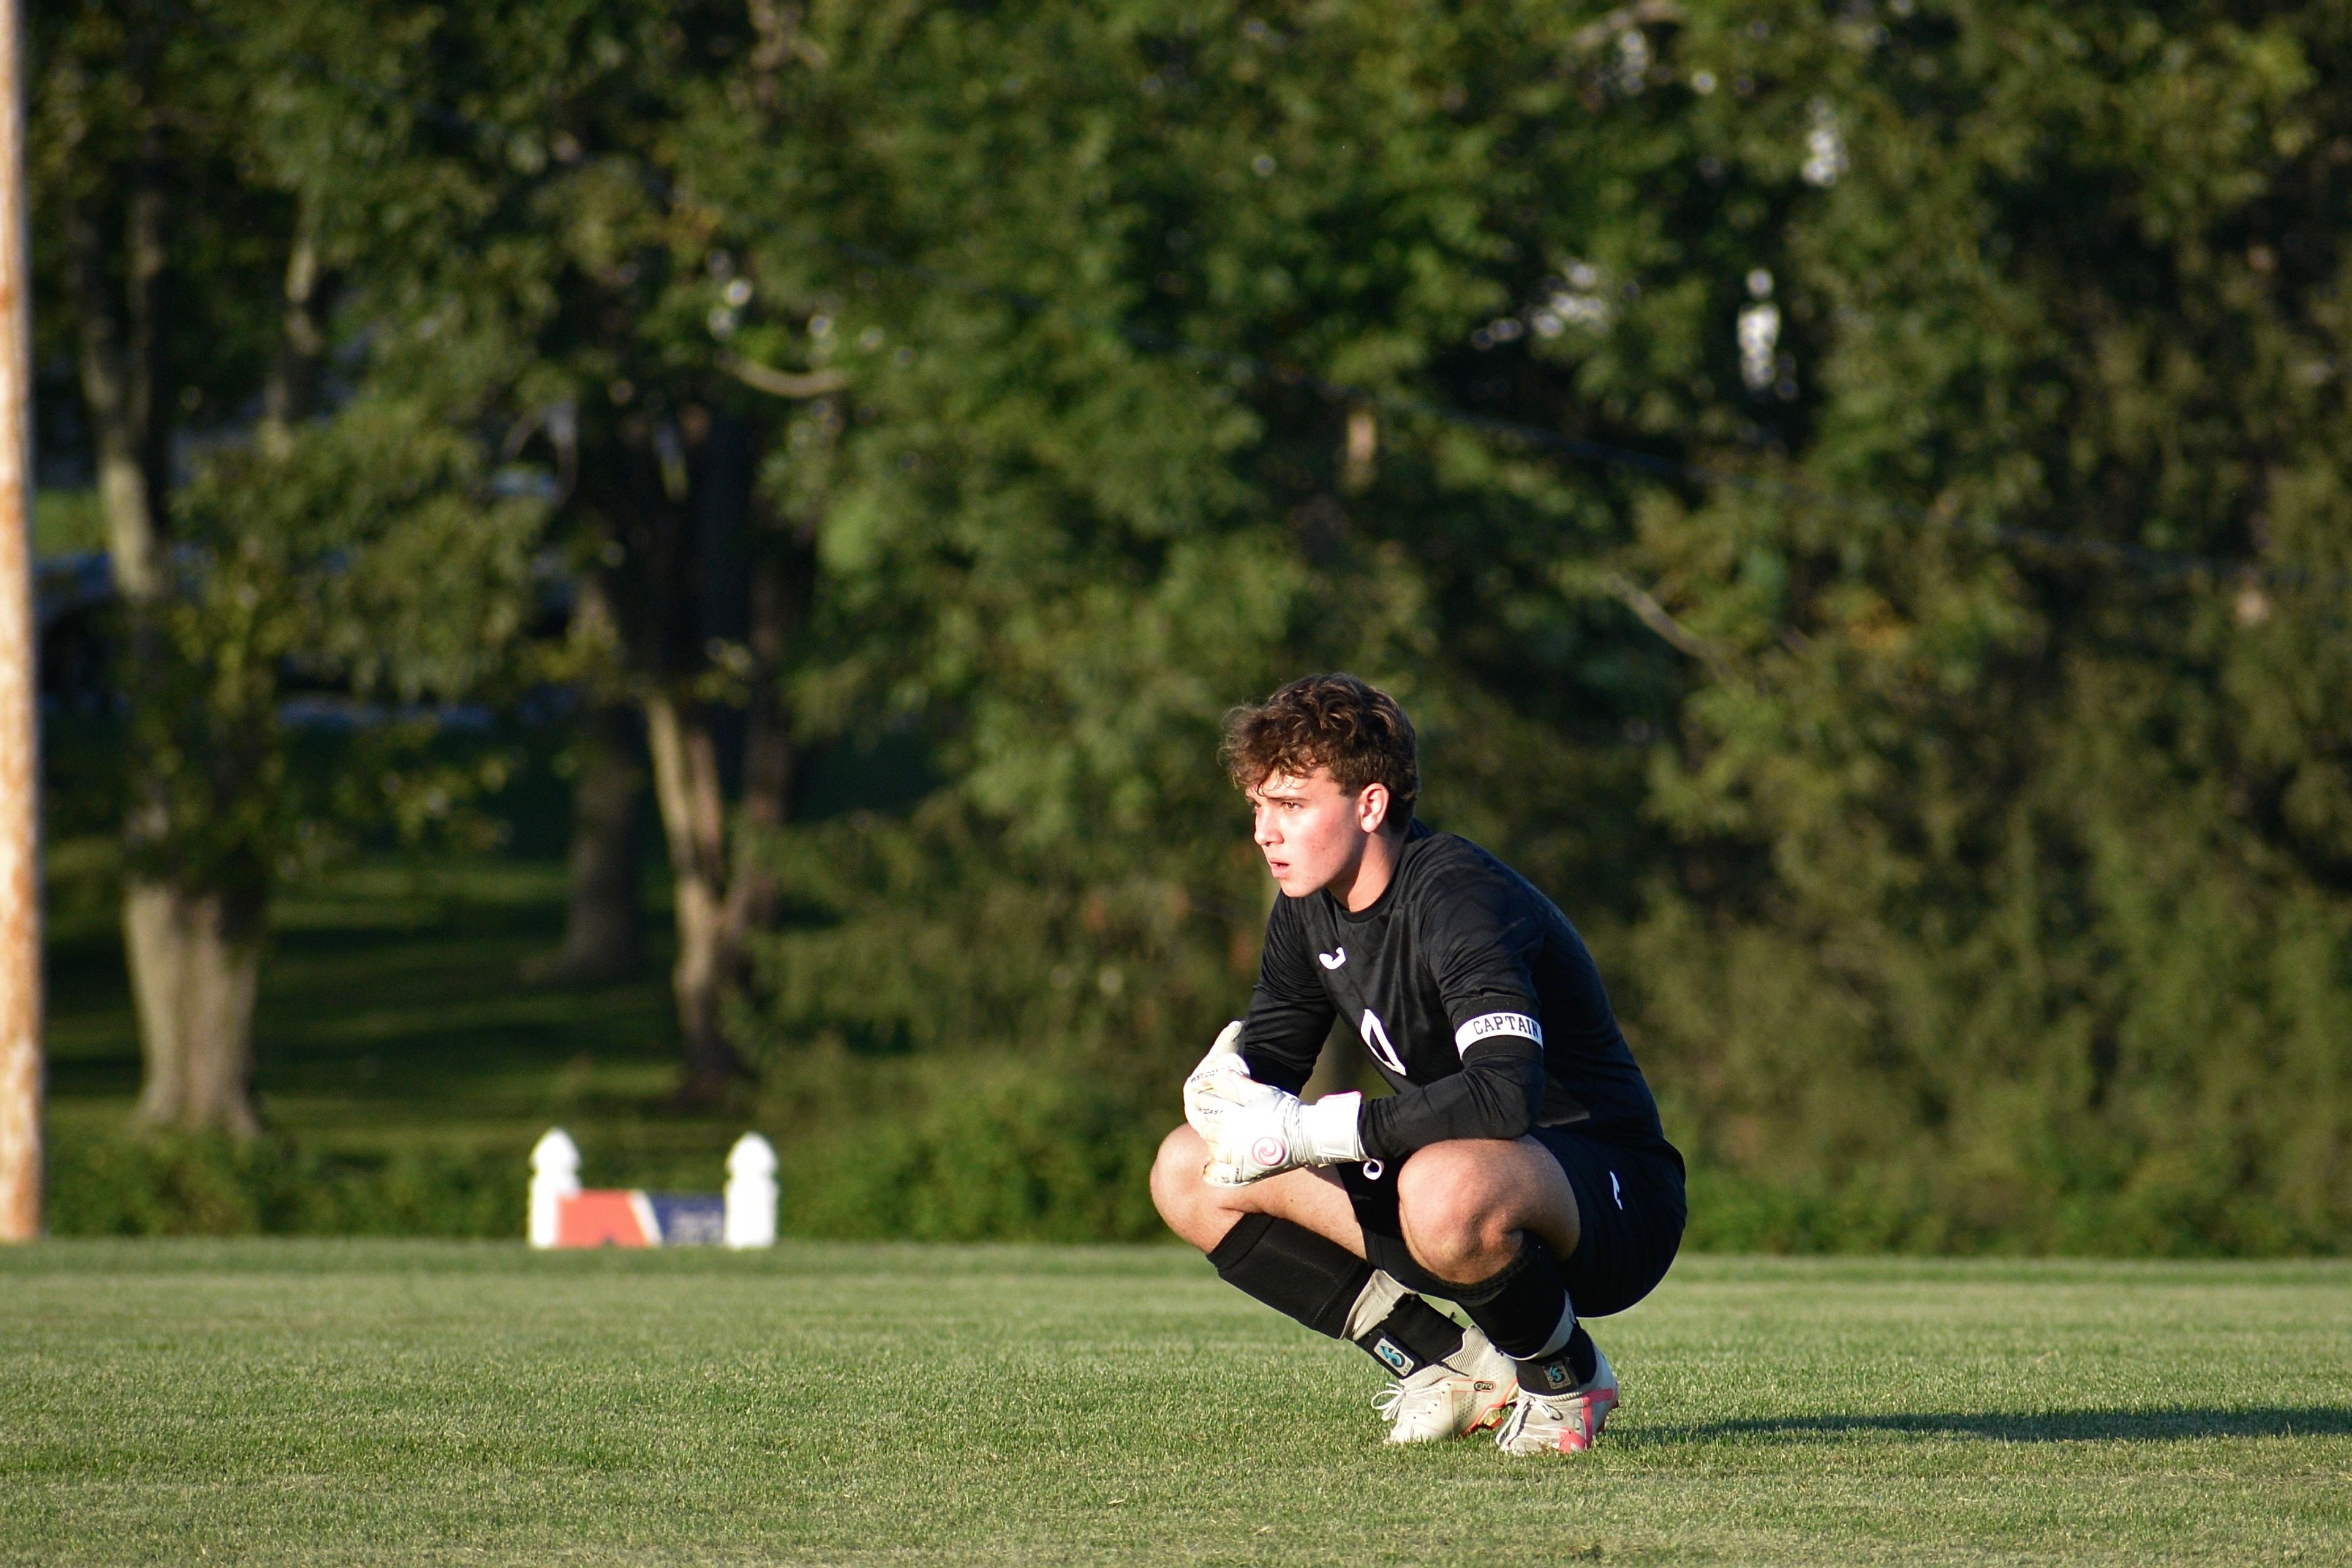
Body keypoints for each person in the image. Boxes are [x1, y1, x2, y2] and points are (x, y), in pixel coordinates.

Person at [1150, 673, 1686, 1455]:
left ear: (1370, 805)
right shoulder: (1307, 906)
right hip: (1446, 1180)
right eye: (1259, 806)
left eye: (1292, 805)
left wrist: (1317, 1128)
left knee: (1442, 1187)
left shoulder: (1459, 898)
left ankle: (1566, 1381)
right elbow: (1269, 1071)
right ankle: (1450, 1369)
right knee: (1188, 1169)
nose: (1266, 831)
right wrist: (1223, 1093)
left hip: (1610, 1194)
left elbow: (1504, 1097)